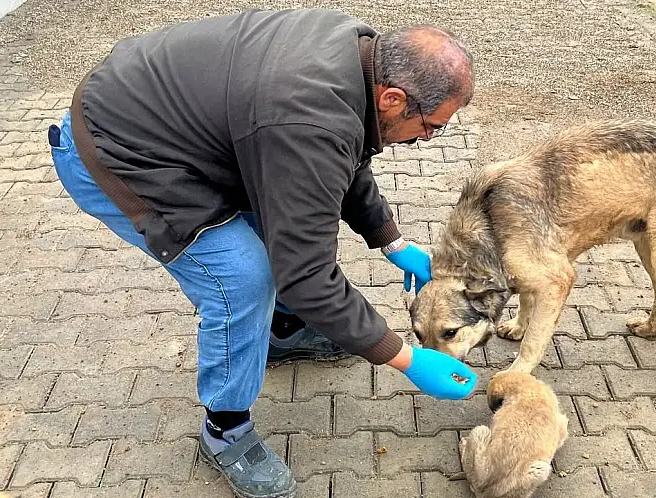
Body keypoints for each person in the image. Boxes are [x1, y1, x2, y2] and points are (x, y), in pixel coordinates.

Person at [47, 7, 478, 498]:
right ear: (393, 97)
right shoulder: (308, 115)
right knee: (242, 277)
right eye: (431, 126)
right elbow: (309, 275)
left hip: (178, 127)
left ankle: (281, 333)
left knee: (277, 224)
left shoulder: (359, 59)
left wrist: (391, 240)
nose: (427, 138)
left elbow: (345, 152)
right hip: (118, 153)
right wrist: (404, 358)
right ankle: (224, 430)